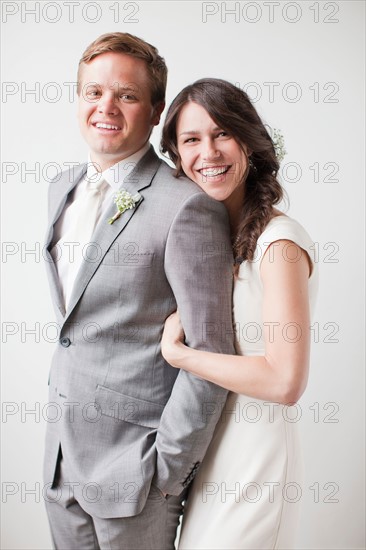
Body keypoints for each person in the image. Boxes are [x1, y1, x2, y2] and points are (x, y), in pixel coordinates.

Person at [43, 36, 235, 549]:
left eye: (126, 95)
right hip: (61, 463)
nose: (105, 107)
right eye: (93, 92)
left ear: (154, 113)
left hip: (138, 472)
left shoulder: (186, 206)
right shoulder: (60, 188)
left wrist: (166, 472)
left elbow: (211, 350)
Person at [160, 78, 319, 549]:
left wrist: (180, 354)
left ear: (248, 140)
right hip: (210, 457)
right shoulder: (209, 242)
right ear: (176, 154)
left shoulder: (279, 242)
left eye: (221, 133)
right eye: (191, 140)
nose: (208, 152)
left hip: (257, 462)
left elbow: (284, 381)